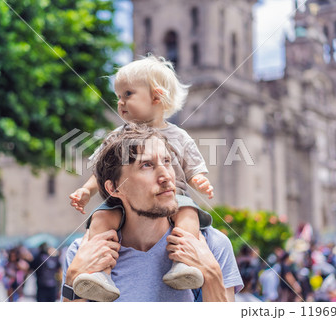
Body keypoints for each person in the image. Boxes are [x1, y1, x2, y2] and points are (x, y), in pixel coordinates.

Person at [69, 56, 215, 301]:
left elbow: (193, 168)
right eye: (118, 96)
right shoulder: (118, 137)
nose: (120, 102)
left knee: (188, 215)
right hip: (123, 199)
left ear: (156, 97)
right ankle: (99, 273)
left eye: (127, 94)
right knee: (101, 218)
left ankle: (182, 263)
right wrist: (86, 190)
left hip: (174, 197)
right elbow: (102, 172)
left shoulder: (178, 136)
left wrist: (198, 179)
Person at [63, 124, 243, 301]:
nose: (166, 176)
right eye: (146, 165)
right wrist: (72, 280)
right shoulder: (83, 254)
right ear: (115, 188)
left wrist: (211, 274)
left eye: (167, 161)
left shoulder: (211, 245)